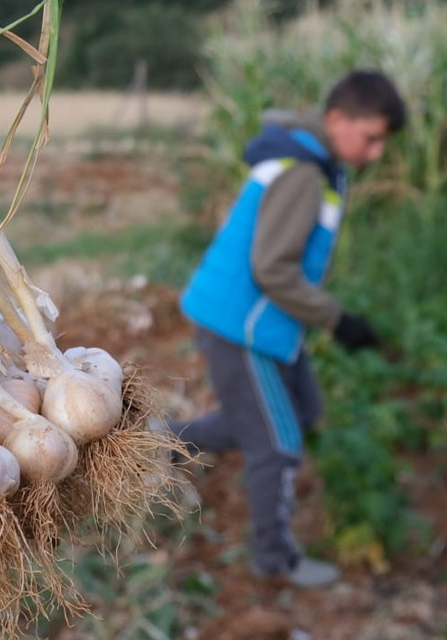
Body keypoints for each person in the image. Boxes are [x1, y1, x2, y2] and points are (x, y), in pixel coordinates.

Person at [172, 70, 407, 588]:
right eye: (372, 138)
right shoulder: (303, 172)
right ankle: (274, 559)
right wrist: (337, 319)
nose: (376, 154)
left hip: (266, 322)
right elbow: (271, 269)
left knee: (300, 412)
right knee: (277, 445)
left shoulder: (317, 163)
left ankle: (161, 444)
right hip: (242, 326)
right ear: (337, 119)